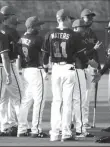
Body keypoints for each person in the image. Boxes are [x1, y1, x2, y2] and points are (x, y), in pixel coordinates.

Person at [42, 9, 81, 142]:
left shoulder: (49, 33)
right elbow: (81, 54)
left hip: (55, 69)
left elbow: (44, 55)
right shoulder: (73, 34)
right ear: (65, 19)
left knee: (56, 102)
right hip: (68, 68)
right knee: (67, 102)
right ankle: (66, 133)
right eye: (69, 18)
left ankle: (54, 133)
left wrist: (46, 69)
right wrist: (90, 62)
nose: (71, 20)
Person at [17, 16, 48, 138]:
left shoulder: (21, 39)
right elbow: (45, 55)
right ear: (32, 27)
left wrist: (20, 71)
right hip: (36, 71)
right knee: (39, 101)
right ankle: (36, 129)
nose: (40, 27)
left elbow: (18, 56)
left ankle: (22, 129)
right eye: (38, 25)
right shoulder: (37, 39)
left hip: (25, 71)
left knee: (26, 101)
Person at [72, 19, 102, 138]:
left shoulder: (78, 38)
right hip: (77, 70)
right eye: (82, 28)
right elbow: (81, 56)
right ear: (75, 28)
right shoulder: (75, 39)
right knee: (80, 100)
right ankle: (80, 128)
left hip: (78, 70)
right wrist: (92, 61)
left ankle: (75, 126)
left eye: (84, 28)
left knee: (78, 100)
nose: (84, 30)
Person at [0, 5, 23, 136]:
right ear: (8, 17)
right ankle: (22, 127)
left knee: (3, 99)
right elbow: (20, 49)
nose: (15, 17)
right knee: (18, 96)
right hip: (9, 65)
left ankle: (4, 126)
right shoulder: (12, 32)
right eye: (13, 15)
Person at [80, 9, 101, 128]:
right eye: (88, 17)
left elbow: (96, 53)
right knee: (76, 96)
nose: (91, 19)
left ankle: (84, 121)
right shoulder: (76, 32)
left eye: (92, 17)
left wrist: (98, 67)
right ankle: (74, 121)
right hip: (78, 66)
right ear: (82, 18)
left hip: (90, 67)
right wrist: (94, 50)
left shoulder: (92, 33)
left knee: (87, 96)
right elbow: (79, 53)